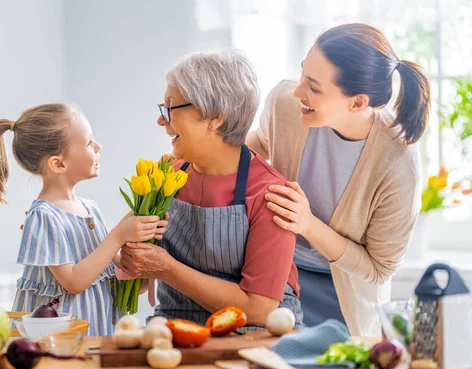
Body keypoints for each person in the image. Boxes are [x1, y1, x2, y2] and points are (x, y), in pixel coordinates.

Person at [246, 23, 430, 335]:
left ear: (357, 102)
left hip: (343, 301)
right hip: (275, 275)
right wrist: (194, 160)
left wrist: (309, 226)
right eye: (303, 73)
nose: (297, 90)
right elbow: (260, 144)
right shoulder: (285, 104)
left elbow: (378, 268)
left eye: (314, 87)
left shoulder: (399, 164)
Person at [119, 49, 303, 329]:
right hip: (173, 330)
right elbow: (141, 276)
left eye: (171, 108)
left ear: (216, 116)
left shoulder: (271, 195)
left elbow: (259, 308)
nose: (161, 120)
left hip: (253, 336)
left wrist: (167, 269)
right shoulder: (167, 175)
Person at [0, 103, 167, 335]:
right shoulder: (43, 216)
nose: (98, 146)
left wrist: (141, 261)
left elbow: (111, 276)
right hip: (59, 343)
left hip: (97, 335)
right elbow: (74, 282)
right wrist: (118, 235)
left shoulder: (90, 209)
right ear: (58, 164)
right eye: (88, 142)